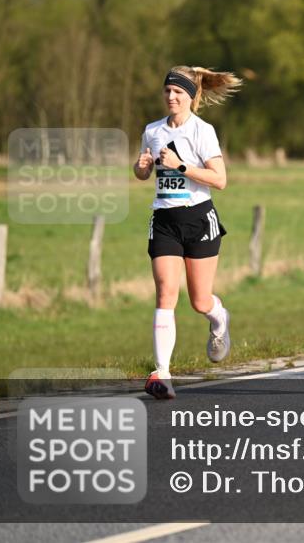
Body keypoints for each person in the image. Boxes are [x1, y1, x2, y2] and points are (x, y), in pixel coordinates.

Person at [133, 66, 241, 399]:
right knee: (166, 291)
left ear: (190, 97)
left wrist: (181, 166)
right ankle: (162, 373)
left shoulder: (202, 131)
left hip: (198, 219)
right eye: (167, 91)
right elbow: (142, 172)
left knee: (199, 300)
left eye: (178, 92)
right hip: (164, 219)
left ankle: (219, 318)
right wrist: (142, 168)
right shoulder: (152, 130)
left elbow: (220, 180)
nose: (170, 97)